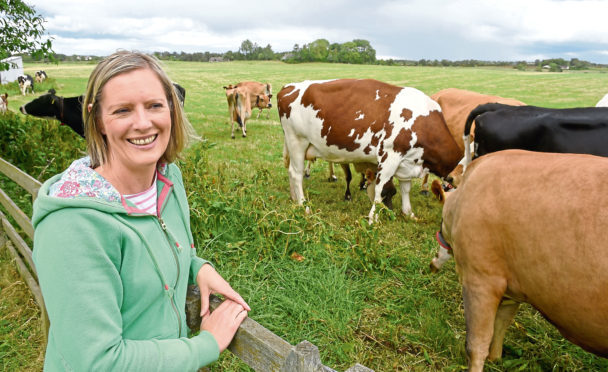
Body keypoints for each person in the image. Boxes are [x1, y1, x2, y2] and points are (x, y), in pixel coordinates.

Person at [32, 50, 250, 371]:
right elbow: (98, 361)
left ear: (172, 109)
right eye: (122, 110)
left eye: (154, 105)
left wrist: (197, 267)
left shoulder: (166, 178)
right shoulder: (73, 226)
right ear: (97, 120)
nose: (143, 123)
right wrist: (206, 345)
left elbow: (166, 245)